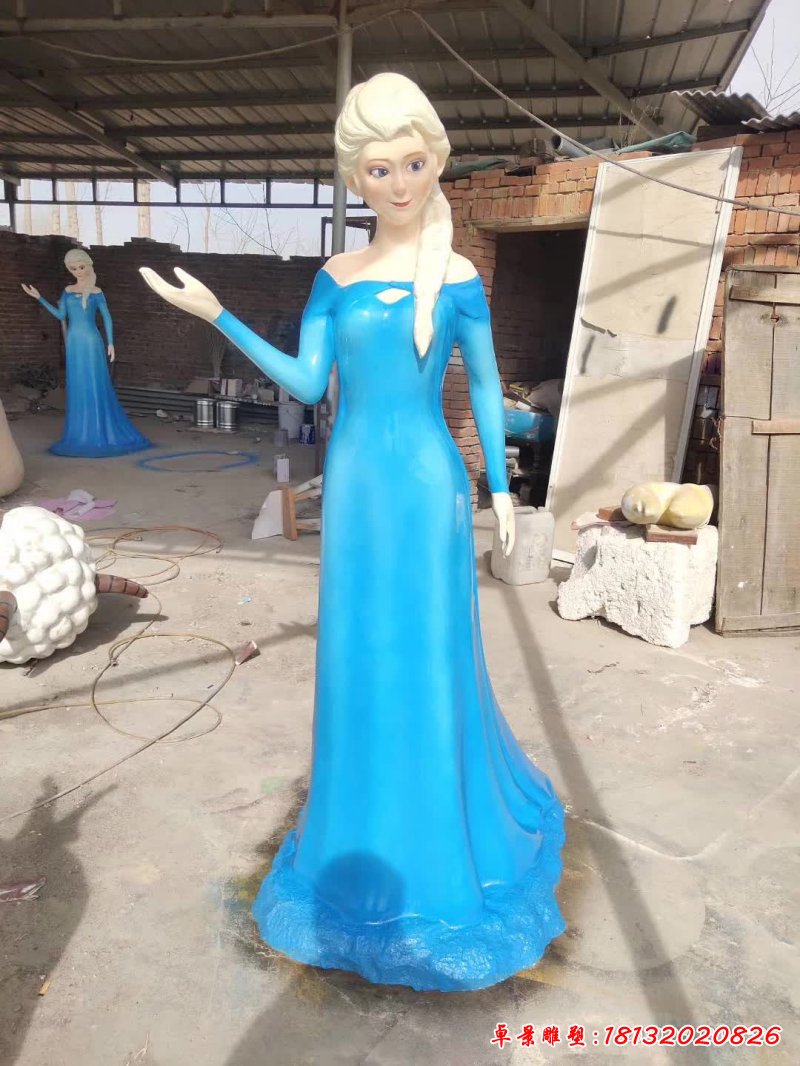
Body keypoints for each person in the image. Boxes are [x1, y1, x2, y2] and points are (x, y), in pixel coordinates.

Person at [139, 72, 565, 992]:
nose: (398, 183)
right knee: (359, 657)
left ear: (435, 162)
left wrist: (501, 489)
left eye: (412, 163)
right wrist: (218, 315)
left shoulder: (458, 279)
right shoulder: (333, 278)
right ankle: (363, 824)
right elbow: (305, 382)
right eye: (378, 169)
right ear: (354, 177)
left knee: (428, 655)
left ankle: (436, 841)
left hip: (429, 489)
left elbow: (485, 386)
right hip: (361, 490)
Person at [22, 248, 151, 457]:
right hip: (74, 342)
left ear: (88, 265)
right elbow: (60, 315)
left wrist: (111, 343)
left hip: (91, 341)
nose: (78, 271)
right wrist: (40, 298)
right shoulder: (67, 290)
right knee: (78, 383)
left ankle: (99, 430)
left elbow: (107, 317)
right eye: (73, 268)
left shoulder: (96, 292)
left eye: (81, 267)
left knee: (95, 382)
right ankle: (80, 431)